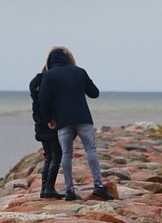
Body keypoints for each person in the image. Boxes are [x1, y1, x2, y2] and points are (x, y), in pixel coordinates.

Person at [38, 46, 113, 201]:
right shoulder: (80, 71)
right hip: (83, 118)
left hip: (63, 121)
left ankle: (69, 190)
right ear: (68, 58)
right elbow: (94, 93)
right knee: (91, 150)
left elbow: (43, 100)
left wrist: (49, 119)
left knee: (66, 154)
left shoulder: (49, 75)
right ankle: (99, 186)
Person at [29, 65, 63, 199]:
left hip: (39, 125)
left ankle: (45, 188)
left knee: (48, 156)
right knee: (56, 156)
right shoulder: (48, 85)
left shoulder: (35, 85)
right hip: (51, 125)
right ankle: (49, 187)